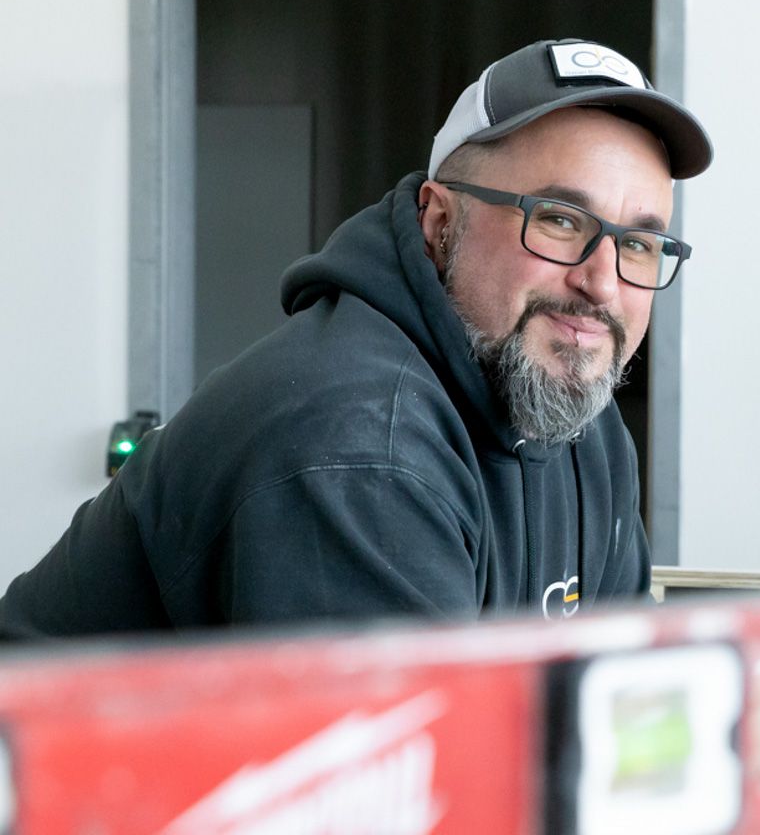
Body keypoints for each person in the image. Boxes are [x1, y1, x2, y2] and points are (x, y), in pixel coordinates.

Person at [0, 38, 711, 636]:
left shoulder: (585, 424)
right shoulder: (359, 441)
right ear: (440, 226)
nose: (603, 282)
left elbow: (611, 714)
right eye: (559, 219)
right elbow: (403, 782)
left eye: (640, 244)